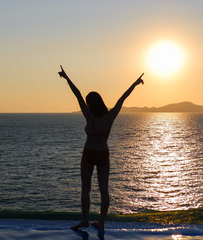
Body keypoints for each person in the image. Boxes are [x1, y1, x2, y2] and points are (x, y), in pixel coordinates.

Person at [58, 65, 144, 230]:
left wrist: (67, 78)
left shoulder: (89, 116)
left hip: (89, 152)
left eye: (88, 102)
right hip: (103, 154)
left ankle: (85, 221)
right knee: (104, 190)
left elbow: (77, 94)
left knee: (86, 190)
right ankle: (101, 222)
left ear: (90, 103)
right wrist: (135, 83)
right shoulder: (110, 116)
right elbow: (122, 98)